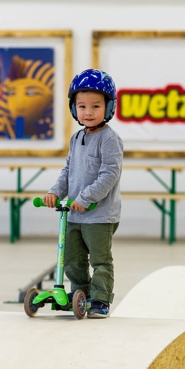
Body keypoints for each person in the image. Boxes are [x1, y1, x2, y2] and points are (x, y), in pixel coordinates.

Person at [42, 69, 123, 317]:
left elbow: (109, 174)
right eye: (82, 106)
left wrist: (86, 198)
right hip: (74, 213)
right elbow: (68, 171)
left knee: (100, 260)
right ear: (73, 108)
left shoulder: (109, 139)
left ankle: (100, 300)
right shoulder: (76, 138)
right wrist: (55, 192)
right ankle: (80, 295)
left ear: (109, 107)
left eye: (95, 106)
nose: (88, 112)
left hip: (99, 215)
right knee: (72, 259)